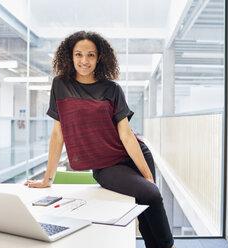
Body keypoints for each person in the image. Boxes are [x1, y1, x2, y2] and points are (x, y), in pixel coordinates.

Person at [24, 31, 174, 248]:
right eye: (79, 54)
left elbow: (126, 134)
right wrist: (48, 179)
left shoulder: (112, 89)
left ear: (99, 58)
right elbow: (58, 134)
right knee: (150, 194)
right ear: (70, 56)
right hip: (106, 166)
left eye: (91, 55)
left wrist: (147, 174)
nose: (84, 61)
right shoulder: (60, 85)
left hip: (135, 153)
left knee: (147, 206)